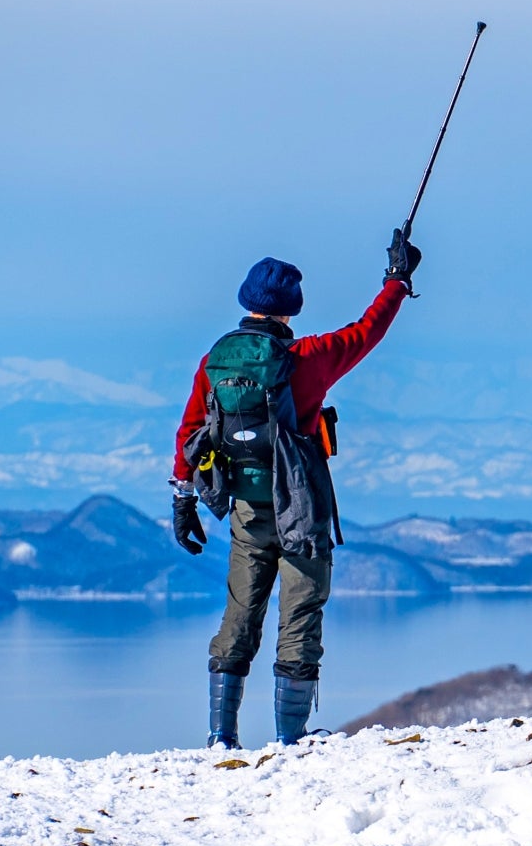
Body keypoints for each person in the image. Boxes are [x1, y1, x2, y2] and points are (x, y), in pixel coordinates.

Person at [170, 230, 420, 747]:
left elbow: (189, 430)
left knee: (240, 613)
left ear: (247, 302)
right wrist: (396, 280)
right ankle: (290, 738)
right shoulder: (307, 359)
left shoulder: (215, 362)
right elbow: (366, 332)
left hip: (245, 509)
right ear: (290, 310)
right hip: (301, 509)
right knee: (300, 614)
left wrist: (183, 499)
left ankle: (222, 735)